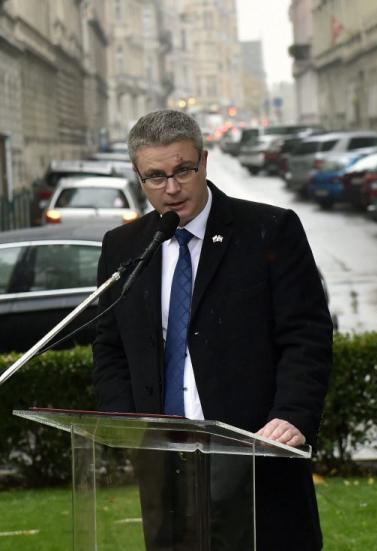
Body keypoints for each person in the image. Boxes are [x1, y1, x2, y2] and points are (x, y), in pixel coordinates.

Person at [92, 109, 332, 550]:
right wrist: (126, 422)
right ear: (138, 177)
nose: (172, 188)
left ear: (204, 161)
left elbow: (307, 335)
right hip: (166, 468)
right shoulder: (123, 247)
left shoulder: (269, 230)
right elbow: (110, 346)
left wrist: (292, 414)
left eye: (182, 170)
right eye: (156, 176)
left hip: (257, 456)